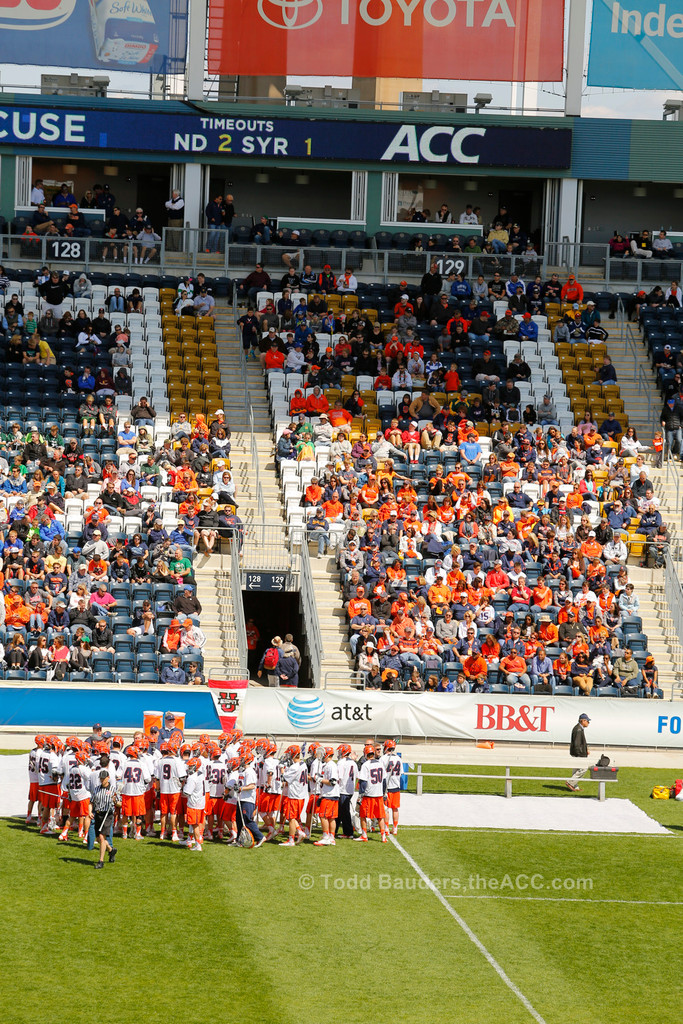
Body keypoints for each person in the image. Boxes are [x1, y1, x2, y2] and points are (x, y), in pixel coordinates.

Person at [91, 769, 118, 869]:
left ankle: (101, 861)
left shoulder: (113, 789)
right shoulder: (97, 789)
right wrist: (90, 811)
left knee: (102, 837)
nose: (102, 780)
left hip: (107, 815)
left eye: (103, 778)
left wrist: (114, 800)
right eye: (101, 778)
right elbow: (91, 802)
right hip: (98, 814)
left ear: (108, 778)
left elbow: (119, 803)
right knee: (98, 839)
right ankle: (111, 851)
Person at [566, 714, 590, 792]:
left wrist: (586, 749)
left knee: (576, 771)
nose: (588, 723)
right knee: (584, 768)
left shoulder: (578, 728)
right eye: (587, 721)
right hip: (579, 754)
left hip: (576, 753)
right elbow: (577, 744)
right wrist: (581, 755)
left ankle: (575, 787)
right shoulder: (578, 729)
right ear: (583, 721)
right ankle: (570, 783)